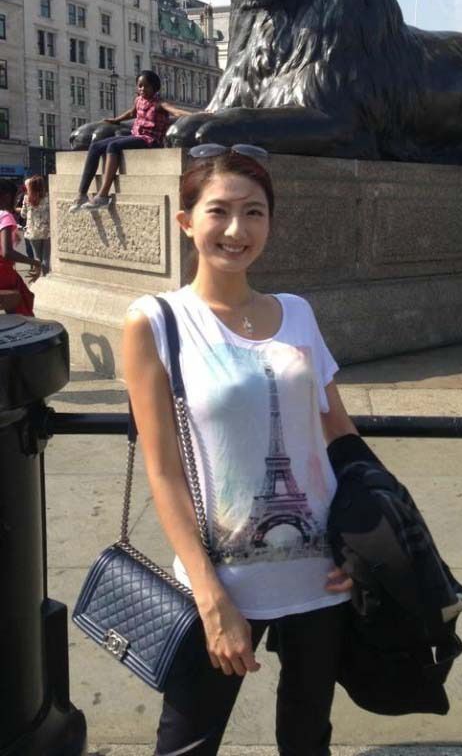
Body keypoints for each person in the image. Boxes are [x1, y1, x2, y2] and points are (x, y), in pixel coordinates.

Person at [123, 143, 357, 756]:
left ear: (271, 222)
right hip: (221, 582)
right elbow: (163, 472)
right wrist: (211, 598)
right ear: (186, 221)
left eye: (254, 212)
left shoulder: (298, 313)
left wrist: (369, 540)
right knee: (186, 743)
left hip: (324, 575)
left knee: (308, 740)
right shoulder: (156, 321)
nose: (237, 230)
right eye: (219, 211)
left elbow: (341, 432)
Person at [69, 70, 196, 212]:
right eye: (140, 86)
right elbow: (132, 113)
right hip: (136, 136)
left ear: (154, 88)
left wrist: (196, 115)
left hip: (150, 140)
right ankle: (81, 194)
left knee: (113, 146)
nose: (142, 89)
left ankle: (103, 195)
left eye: (146, 86)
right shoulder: (139, 100)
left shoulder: (159, 103)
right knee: (95, 146)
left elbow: (176, 112)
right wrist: (116, 120)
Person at [0, 178, 41, 315]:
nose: (16, 200)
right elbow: (7, 252)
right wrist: (34, 262)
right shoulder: (5, 215)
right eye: (15, 196)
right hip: (2, 271)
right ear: (7, 196)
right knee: (23, 302)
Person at [20, 175, 51, 274]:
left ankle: (39, 277)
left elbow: (23, 215)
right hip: (47, 231)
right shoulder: (48, 198)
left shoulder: (27, 198)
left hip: (33, 232)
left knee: (37, 257)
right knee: (46, 258)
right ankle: (45, 276)